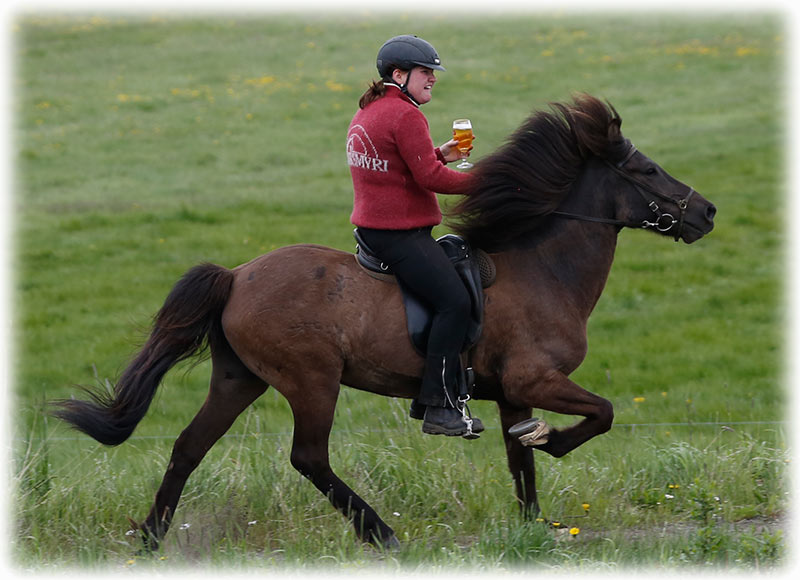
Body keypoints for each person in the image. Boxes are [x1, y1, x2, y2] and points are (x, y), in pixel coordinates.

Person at [346, 34, 484, 437]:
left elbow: (397, 166)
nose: (433, 79)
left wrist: (440, 153)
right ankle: (439, 406)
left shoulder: (372, 110)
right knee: (454, 302)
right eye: (426, 72)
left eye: (433, 73)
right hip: (398, 236)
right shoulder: (406, 116)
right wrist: (487, 181)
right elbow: (429, 179)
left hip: (373, 229)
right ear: (399, 74)